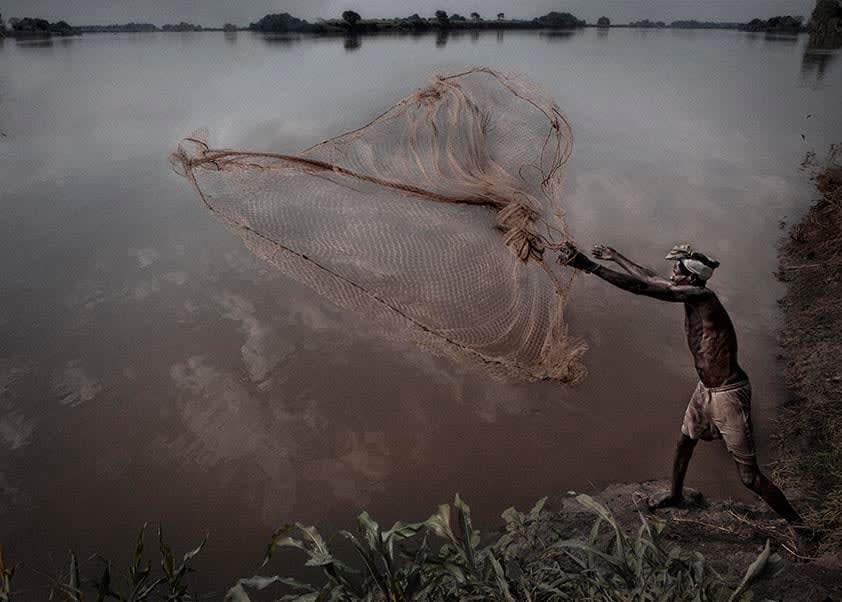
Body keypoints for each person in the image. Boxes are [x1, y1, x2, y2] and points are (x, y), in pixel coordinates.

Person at [562, 242, 805, 527]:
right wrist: (615, 256)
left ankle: (800, 525)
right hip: (705, 389)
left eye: (676, 271)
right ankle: (676, 496)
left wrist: (590, 266)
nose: (671, 274)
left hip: (728, 394)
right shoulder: (690, 291)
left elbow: (643, 288)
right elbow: (649, 279)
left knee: (749, 478)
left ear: (690, 279)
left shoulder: (703, 297)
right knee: (684, 444)